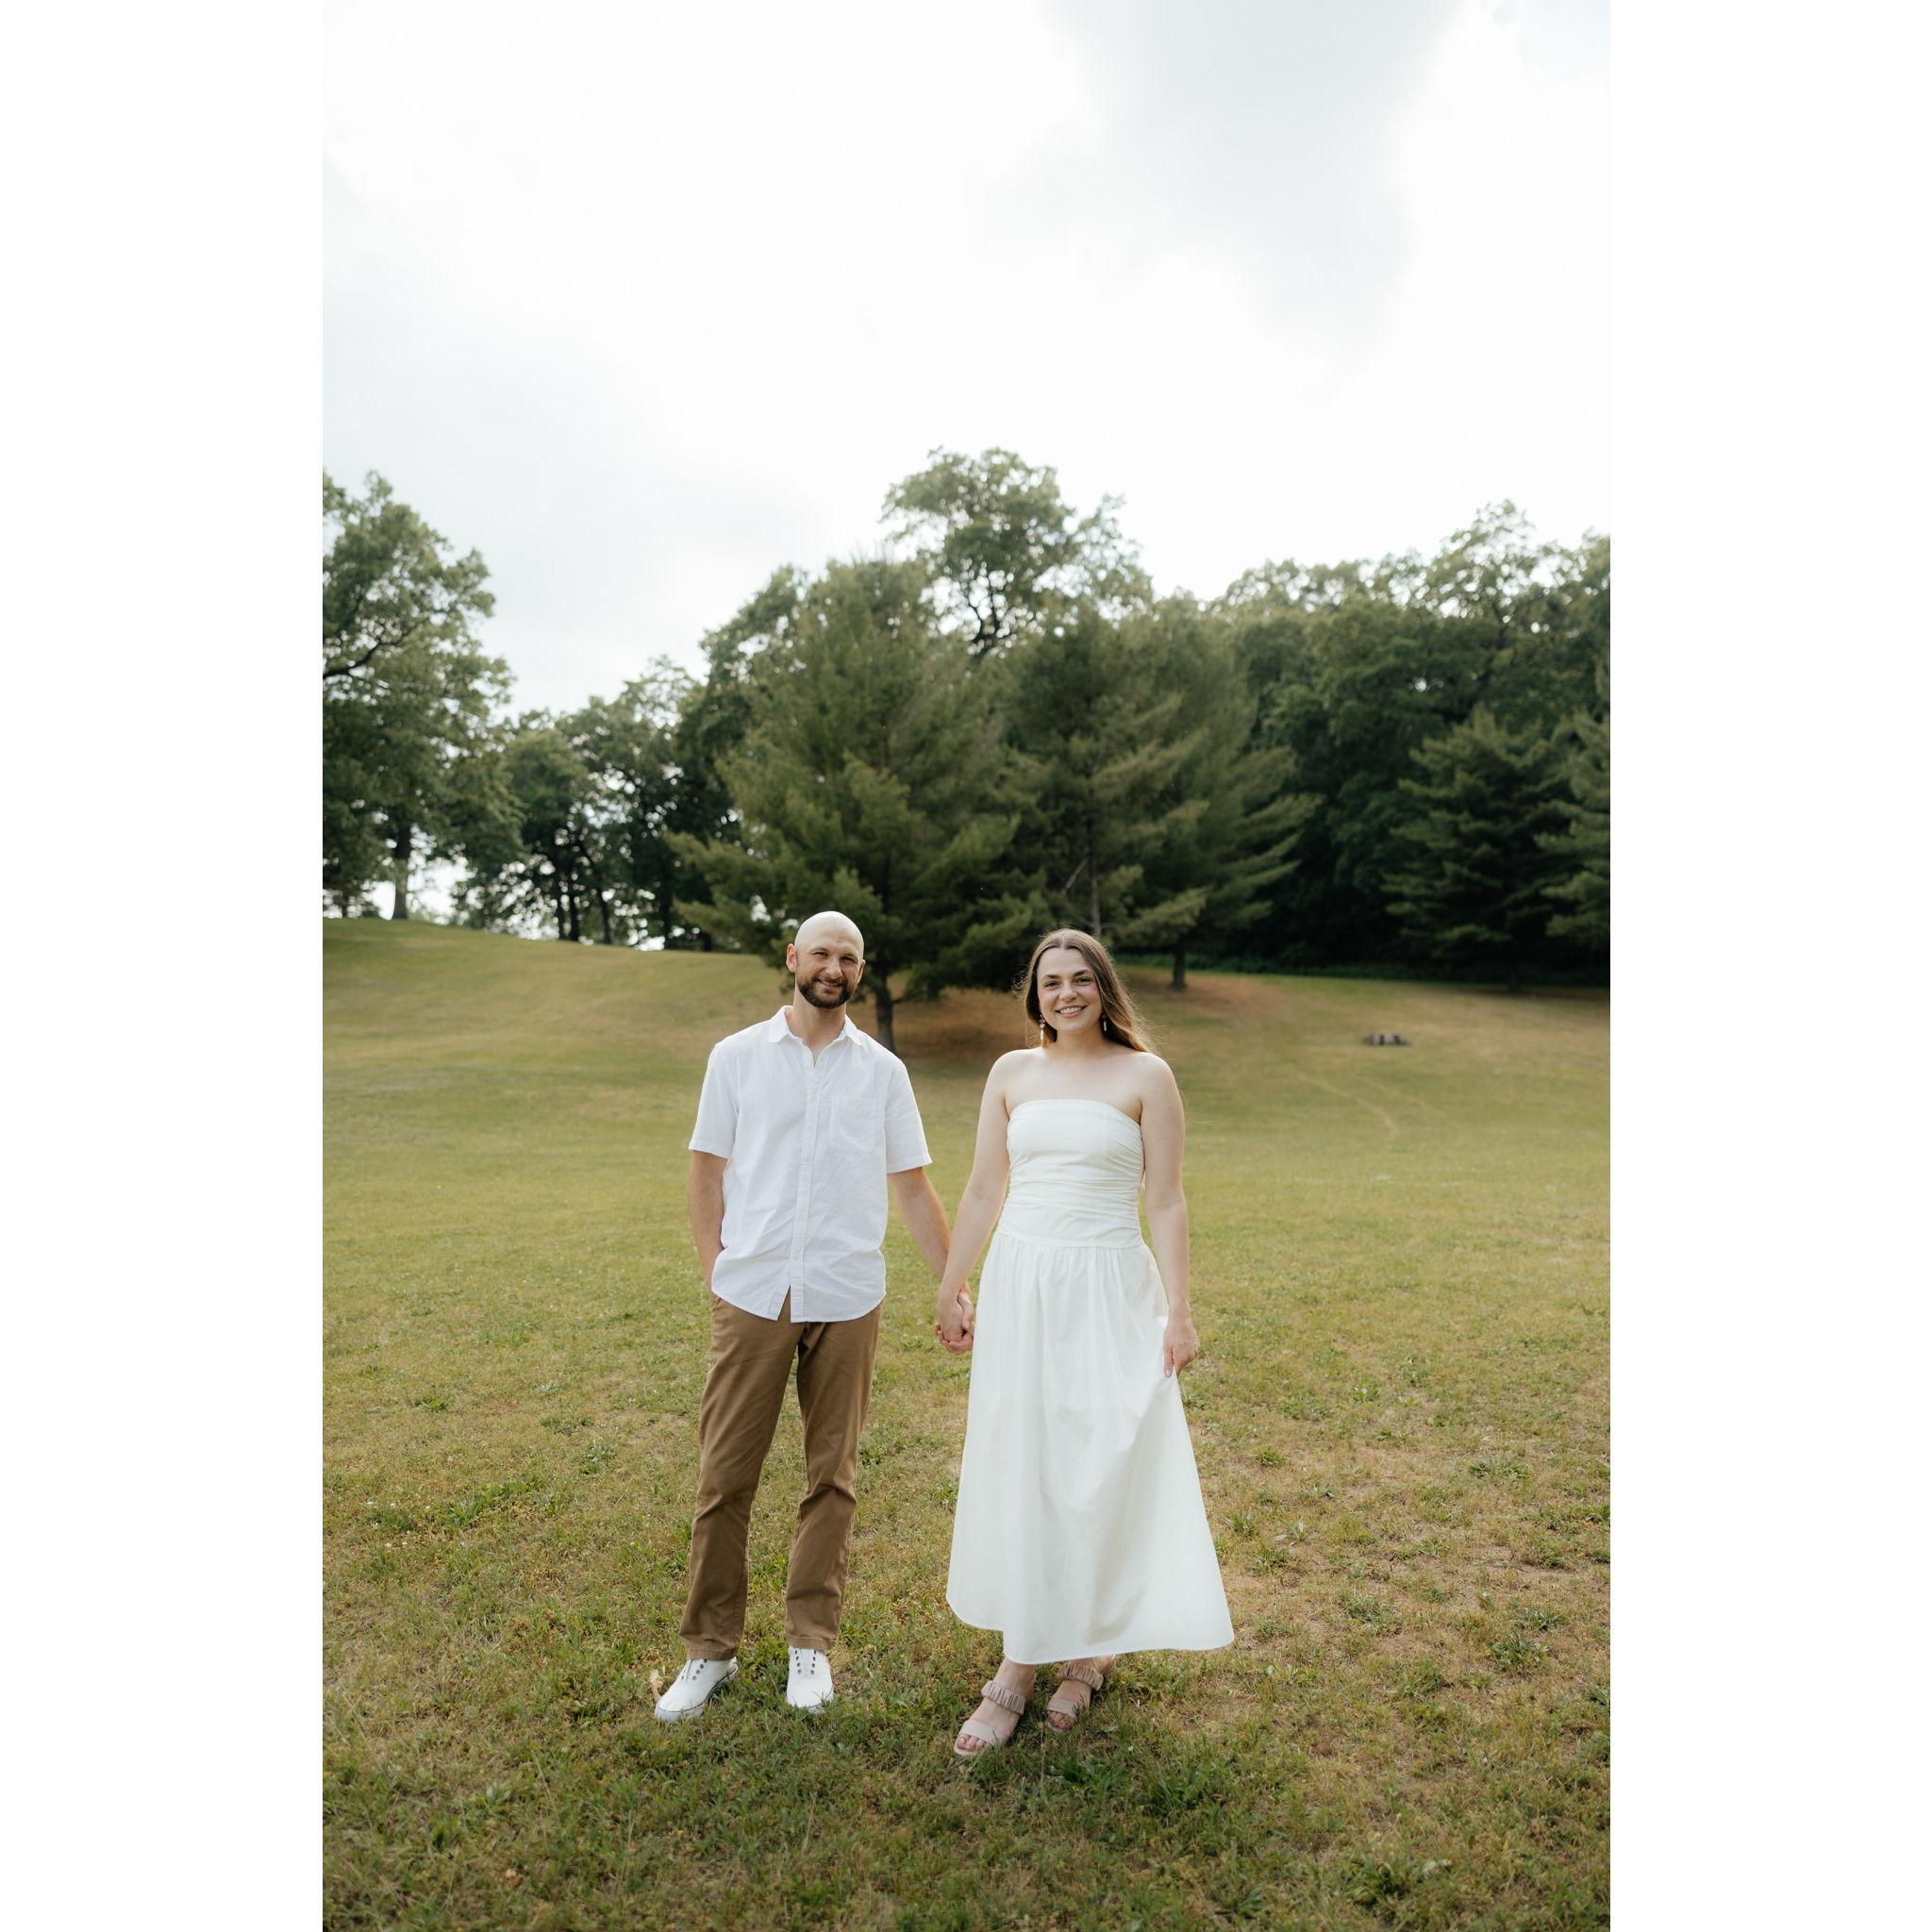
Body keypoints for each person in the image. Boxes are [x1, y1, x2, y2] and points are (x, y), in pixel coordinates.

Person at [654, 910, 958, 1721]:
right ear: (794, 958)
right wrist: (717, 1273)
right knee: (725, 1477)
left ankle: (809, 1645)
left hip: (846, 1293)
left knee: (834, 1477)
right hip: (753, 1292)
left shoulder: (883, 1072)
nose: (834, 967)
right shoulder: (737, 1057)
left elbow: (913, 1186)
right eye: (822, 952)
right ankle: (709, 1651)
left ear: (860, 970)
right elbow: (705, 1168)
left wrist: (955, 1284)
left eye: (849, 957)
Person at [936, 927, 1232, 1757]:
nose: (1065, 994)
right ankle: (1021, 1660)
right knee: (1031, 1459)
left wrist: (1180, 1309)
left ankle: (1088, 1651)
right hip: (1024, 1287)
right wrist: (952, 1285)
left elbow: (1165, 1199)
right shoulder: (1010, 1073)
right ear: (1035, 995)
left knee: (1101, 1460)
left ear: (1104, 987)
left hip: (1110, 1289)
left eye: (1080, 979)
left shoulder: (1146, 1075)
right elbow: (984, 1188)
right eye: (1050, 982)